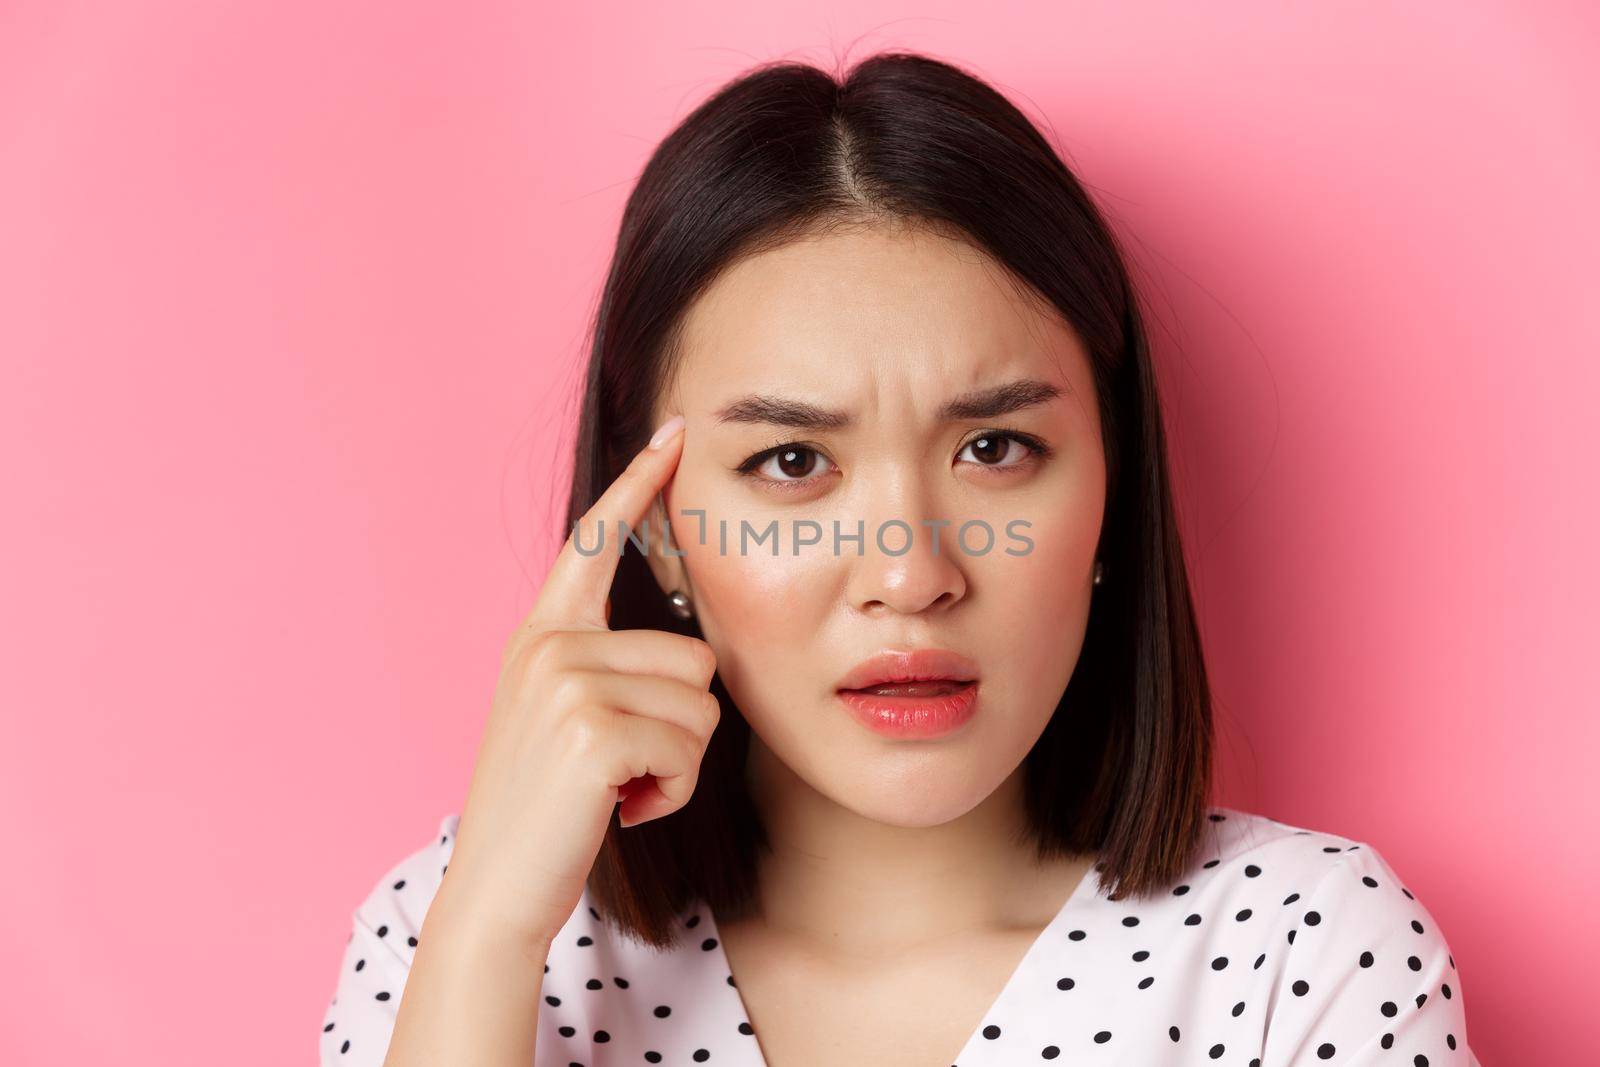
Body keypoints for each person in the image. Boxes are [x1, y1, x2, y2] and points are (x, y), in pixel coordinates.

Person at [318, 51, 1479, 1066]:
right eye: (789, 462)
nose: (912, 572)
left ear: (1113, 492)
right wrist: (486, 941)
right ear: (659, 523)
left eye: (994, 446)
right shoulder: (456, 930)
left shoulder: (1299, 951)